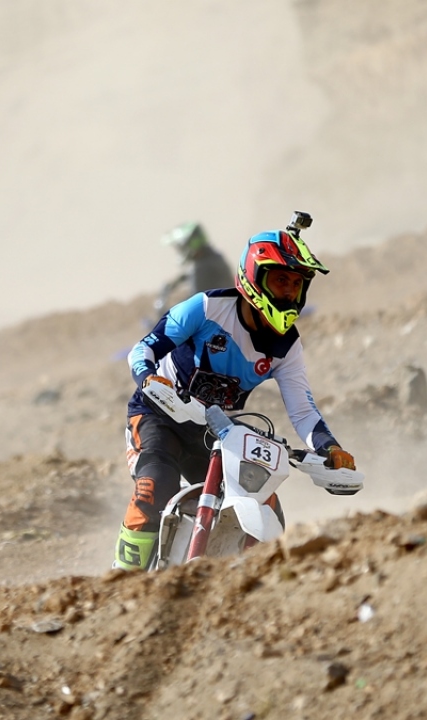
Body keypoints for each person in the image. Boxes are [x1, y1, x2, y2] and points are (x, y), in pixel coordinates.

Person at [113, 213, 356, 571]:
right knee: (155, 487)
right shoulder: (206, 308)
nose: (289, 292)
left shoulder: (287, 347)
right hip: (159, 415)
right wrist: (150, 379)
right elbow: (143, 349)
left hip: (213, 430)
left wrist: (330, 448)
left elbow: (303, 411)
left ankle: (240, 585)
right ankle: (122, 582)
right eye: (281, 280)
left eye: (296, 283)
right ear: (255, 277)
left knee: (265, 500)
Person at [153, 222, 235, 318]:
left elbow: (195, 303)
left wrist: (168, 312)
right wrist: (179, 280)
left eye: (180, 247)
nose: (179, 251)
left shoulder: (201, 268)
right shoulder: (213, 257)